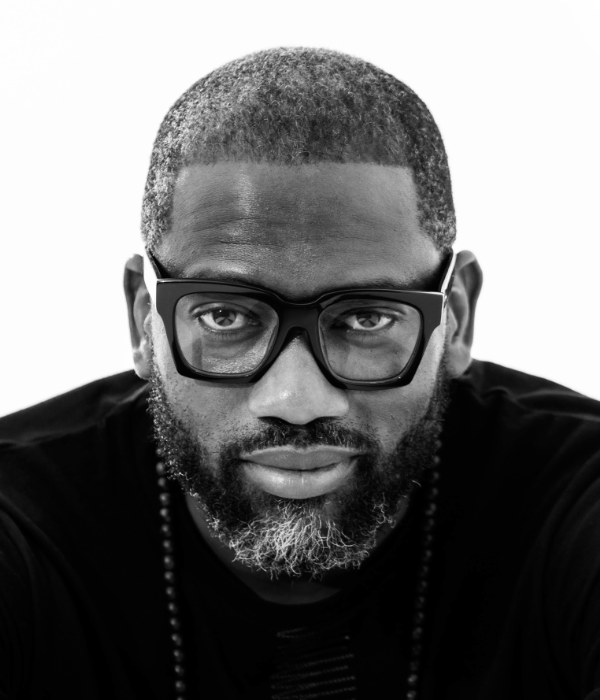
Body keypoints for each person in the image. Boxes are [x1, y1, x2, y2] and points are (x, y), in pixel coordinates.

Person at [0, 46, 598, 700]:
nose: (296, 399)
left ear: (454, 315)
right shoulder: (22, 515)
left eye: (366, 318)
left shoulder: (574, 497)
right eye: (226, 316)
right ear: (145, 319)